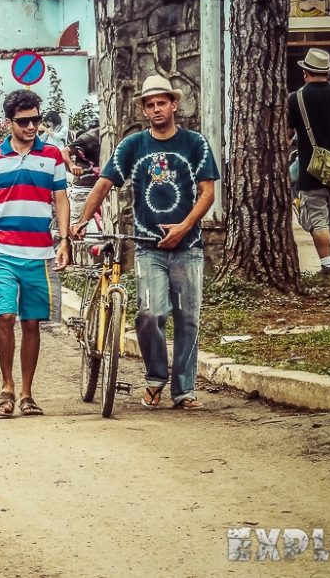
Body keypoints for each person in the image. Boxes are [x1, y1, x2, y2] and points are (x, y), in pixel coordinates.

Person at [72, 75, 218, 410]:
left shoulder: (195, 144)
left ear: (174, 104)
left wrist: (183, 227)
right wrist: (81, 220)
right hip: (148, 246)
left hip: (189, 246)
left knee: (188, 318)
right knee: (150, 314)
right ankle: (155, 379)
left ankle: (184, 391)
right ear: (143, 109)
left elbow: (208, 192)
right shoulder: (133, 145)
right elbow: (104, 184)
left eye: (161, 103)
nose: (156, 109)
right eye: (149, 104)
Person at [0, 89, 70, 419]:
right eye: (24, 121)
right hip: (1, 252)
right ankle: (6, 386)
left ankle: (27, 393)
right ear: (9, 123)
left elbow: (60, 199)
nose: (32, 126)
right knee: (5, 317)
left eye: (36, 119)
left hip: (39, 254)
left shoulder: (52, 156)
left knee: (32, 323)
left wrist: (64, 240)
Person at [286, 49, 330, 274]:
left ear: (305, 73)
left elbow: (287, 134)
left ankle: (327, 266)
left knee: (318, 221)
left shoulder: (296, 98)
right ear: (328, 74)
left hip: (310, 170)